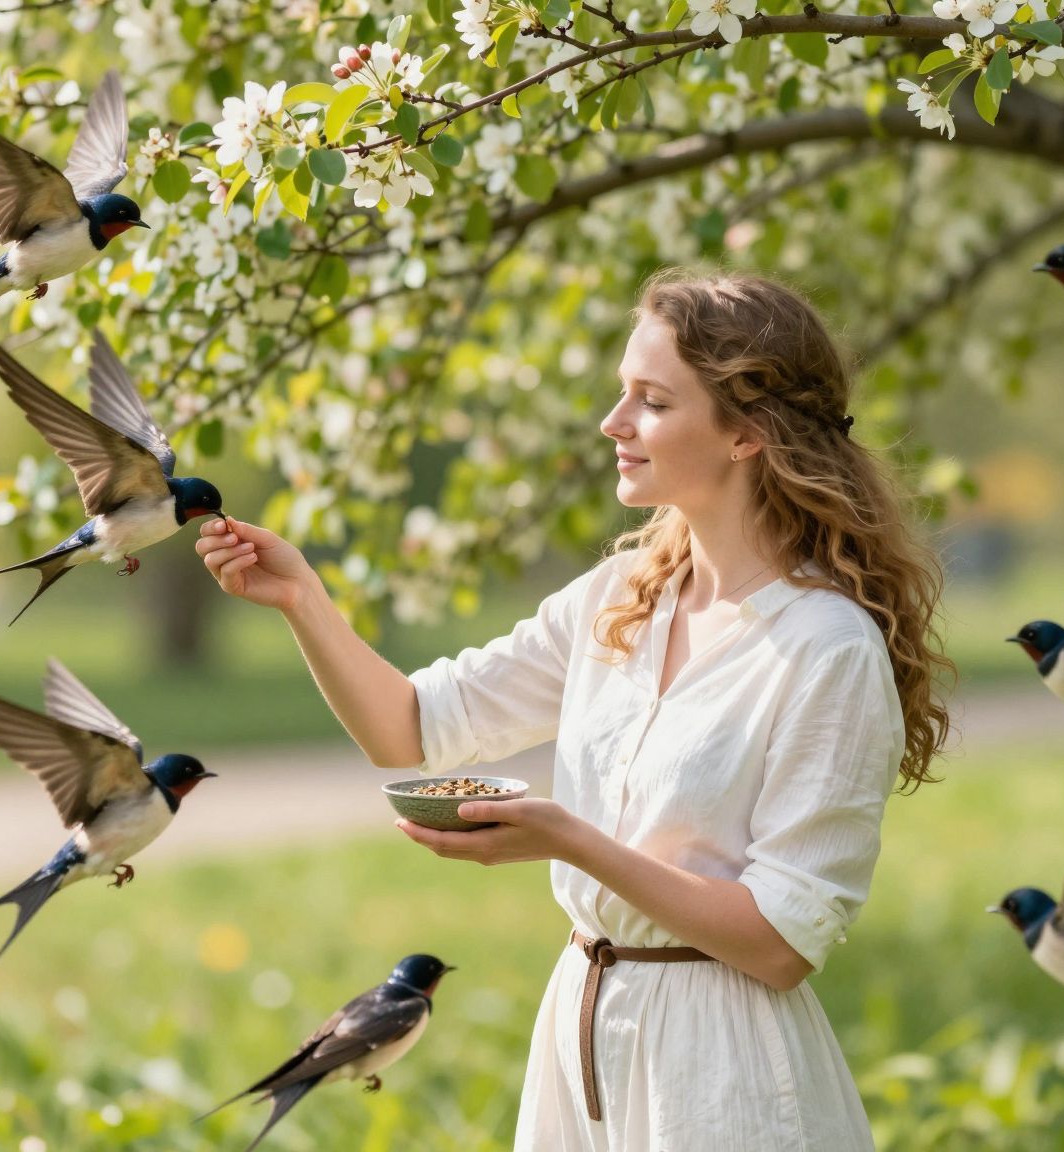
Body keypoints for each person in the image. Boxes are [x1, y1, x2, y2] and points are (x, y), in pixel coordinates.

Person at [195, 268, 950, 1150]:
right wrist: (302, 602)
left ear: (747, 433)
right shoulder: (620, 597)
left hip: (723, 1072)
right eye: (622, 392)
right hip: (580, 1037)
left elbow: (782, 942)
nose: (614, 423)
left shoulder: (827, 647)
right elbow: (411, 728)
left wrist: (568, 837)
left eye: (653, 401)